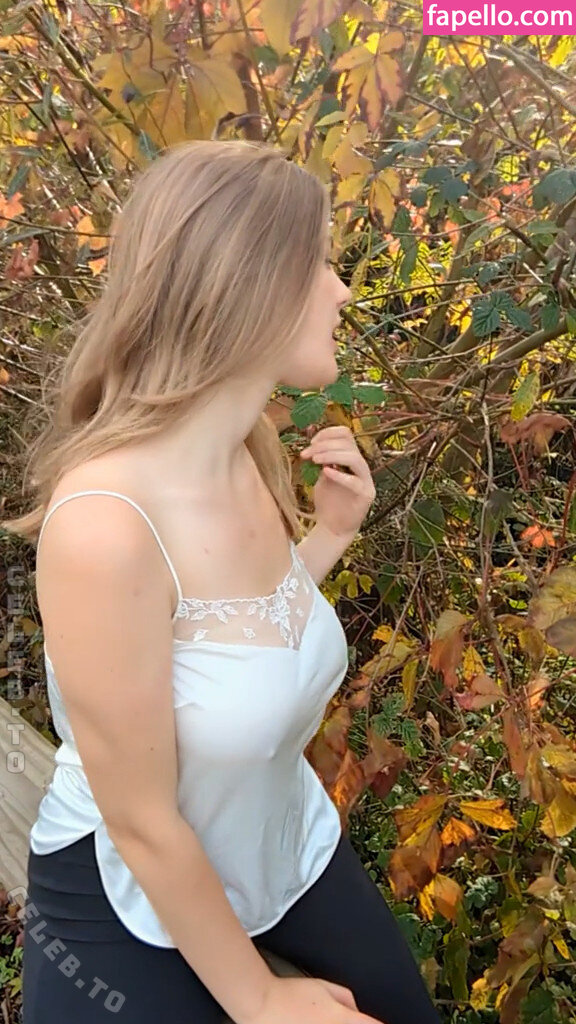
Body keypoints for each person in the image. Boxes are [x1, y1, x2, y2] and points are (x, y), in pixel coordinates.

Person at [3, 140, 442, 1024]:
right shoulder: (105, 528)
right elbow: (142, 820)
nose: (342, 291)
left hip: (280, 847)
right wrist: (261, 1000)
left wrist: (328, 537)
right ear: (247, 284)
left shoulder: (248, 448)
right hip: (131, 888)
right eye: (320, 264)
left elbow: (238, 646)